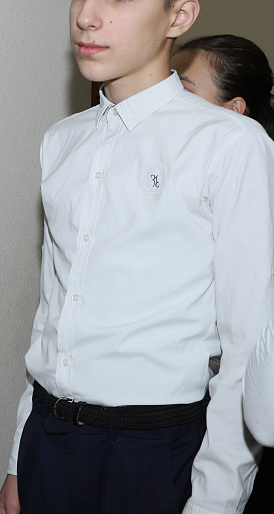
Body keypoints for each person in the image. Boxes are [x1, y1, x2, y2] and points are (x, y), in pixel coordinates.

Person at [0, 0, 274, 514]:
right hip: (50, 440)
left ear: (180, 14)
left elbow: (250, 346)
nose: (87, 16)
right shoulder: (61, 141)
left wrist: (216, 499)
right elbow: (53, 311)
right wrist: (19, 457)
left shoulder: (229, 144)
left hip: (154, 451)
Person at [171, 36, 274, 514]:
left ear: (235, 111)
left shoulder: (251, 186)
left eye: (184, 87)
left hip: (230, 425)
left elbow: (246, 350)